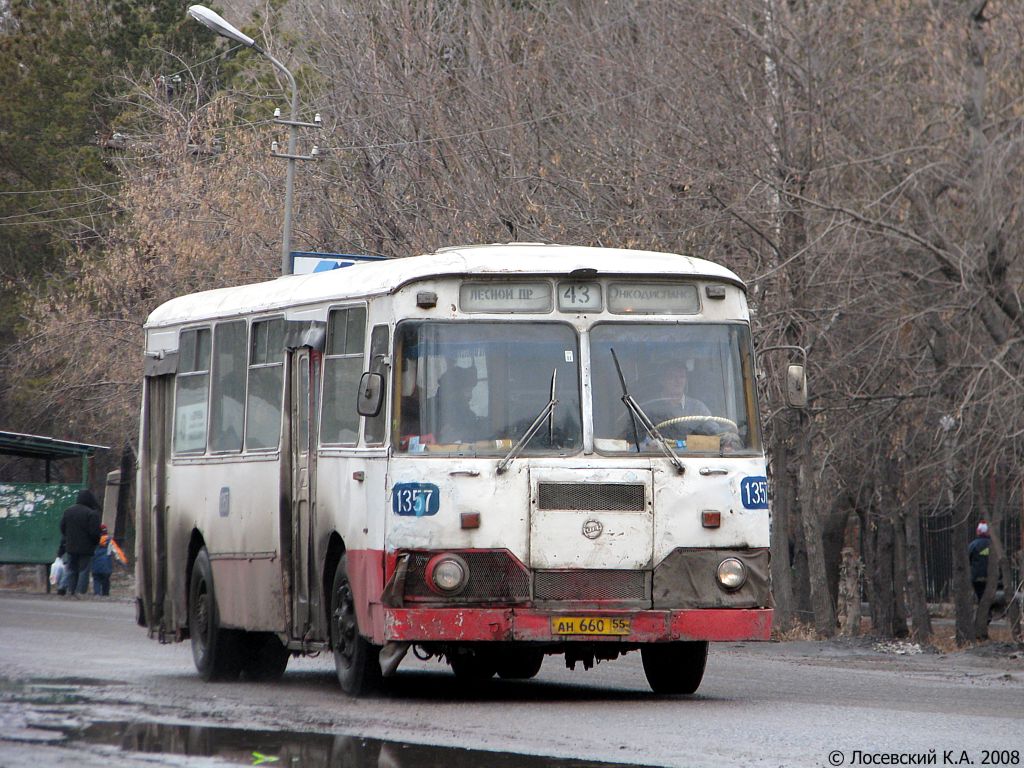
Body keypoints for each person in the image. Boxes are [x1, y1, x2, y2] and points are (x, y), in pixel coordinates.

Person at [60, 489, 101, 597]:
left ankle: (69, 590)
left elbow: (62, 528)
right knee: (83, 570)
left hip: (71, 546)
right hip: (86, 547)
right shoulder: (91, 513)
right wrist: (95, 542)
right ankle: (80, 591)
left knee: (71, 569)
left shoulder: (68, 511)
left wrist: (69, 538)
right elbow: (94, 532)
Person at [431, 365, 484, 443]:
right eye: (467, 391)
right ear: (454, 392)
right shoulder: (438, 411)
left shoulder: (461, 409)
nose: (470, 396)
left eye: (471, 391)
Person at [91, 523, 128, 596]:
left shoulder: (92, 541)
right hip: (106, 566)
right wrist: (123, 562)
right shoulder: (109, 541)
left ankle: (97, 594)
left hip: (95, 565)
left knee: (96, 580)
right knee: (106, 581)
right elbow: (117, 552)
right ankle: (105, 594)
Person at [968, 521, 992, 601]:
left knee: (981, 598)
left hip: (977, 577)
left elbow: (967, 560)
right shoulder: (994, 545)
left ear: (978, 531)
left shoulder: (973, 545)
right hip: (992, 578)